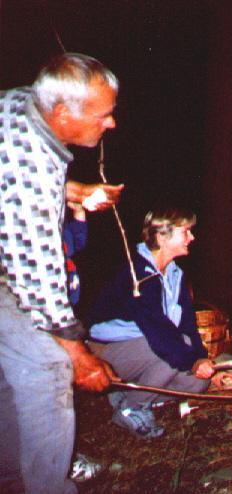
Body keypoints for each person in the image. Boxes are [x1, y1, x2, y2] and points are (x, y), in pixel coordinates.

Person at [0, 53, 122, 494]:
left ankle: (11, 476)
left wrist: (73, 191)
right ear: (62, 114)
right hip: (10, 270)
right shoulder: (30, 167)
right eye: (103, 115)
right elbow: (38, 280)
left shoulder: (19, 103)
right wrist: (78, 355)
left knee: (13, 373)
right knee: (49, 366)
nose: (111, 124)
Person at [89, 208, 216, 438]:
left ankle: (127, 393)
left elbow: (187, 325)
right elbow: (160, 333)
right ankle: (131, 408)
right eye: (186, 232)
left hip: (146, 348)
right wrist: (192, 361)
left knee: (197, 384)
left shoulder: (175, 274)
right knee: (173, 348)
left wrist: (201, 359)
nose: (192, 237)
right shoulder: (137, 273)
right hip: (105, 354)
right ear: (161, 237)